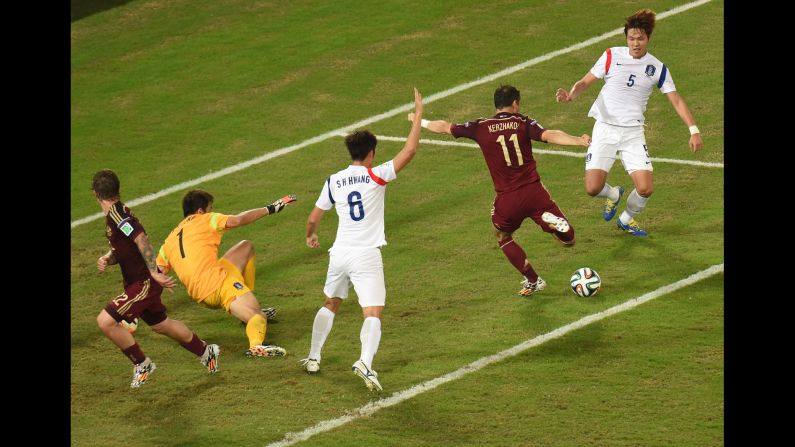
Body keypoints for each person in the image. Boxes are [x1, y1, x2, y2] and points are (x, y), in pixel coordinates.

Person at [408, 84, 590, 296]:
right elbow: (550, 135)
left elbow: (445, 127)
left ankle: (533, 279)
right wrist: (578, 140)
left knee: (502, 235)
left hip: (508, 199)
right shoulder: (523, 122)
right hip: (534, 192)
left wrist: (419, 120)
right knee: (569, 241)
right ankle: (555, 224)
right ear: (515, 103)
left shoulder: (481, 126)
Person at [300, 88, 424, 392]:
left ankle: (314, 356)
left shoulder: (333, 180)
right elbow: (408, 152)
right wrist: (418, 115)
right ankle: (365, 362)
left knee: (331, 302)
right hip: (366, 254)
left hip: (339, 252)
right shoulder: (376, 175)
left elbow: (314, 217)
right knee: (372, 311)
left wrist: (311, 235)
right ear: (370, 153)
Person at [555, 8, 703, 236]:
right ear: (626, 38)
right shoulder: (611, 56)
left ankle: (626, 219)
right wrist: (570, 96)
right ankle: (613, 194)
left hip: (633, 132)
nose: (636, 43)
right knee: (592, 188)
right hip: (605, 128)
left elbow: (676, 100)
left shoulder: (658, 68)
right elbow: (585, 82)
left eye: (640, 39)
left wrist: (693, 130)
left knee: (645, 188)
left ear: (648, 39)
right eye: (631, 38)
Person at [92, 169, 220, 389]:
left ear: (95, 194)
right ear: (118, 190)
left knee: (105, 321)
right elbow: (126, 247)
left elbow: (141, 238)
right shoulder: (117, 213)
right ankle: (206, 351)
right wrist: (108, 257)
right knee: (161, 324)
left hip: (143, 282)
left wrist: (153, 271)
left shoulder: (117, 215)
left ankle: (142, 364)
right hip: (138, 281)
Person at [156, 189, 296, 358]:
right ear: (200, 211)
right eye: (210, 208)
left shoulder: (170, 239)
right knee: (257, 317)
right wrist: (271, 208)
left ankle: (244, 300)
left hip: (200, 289)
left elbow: (157, 272)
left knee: (246, 247)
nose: (212, 211)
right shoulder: (205, 219)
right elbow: (238, 220)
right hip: (216, 285)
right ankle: (256, 346)